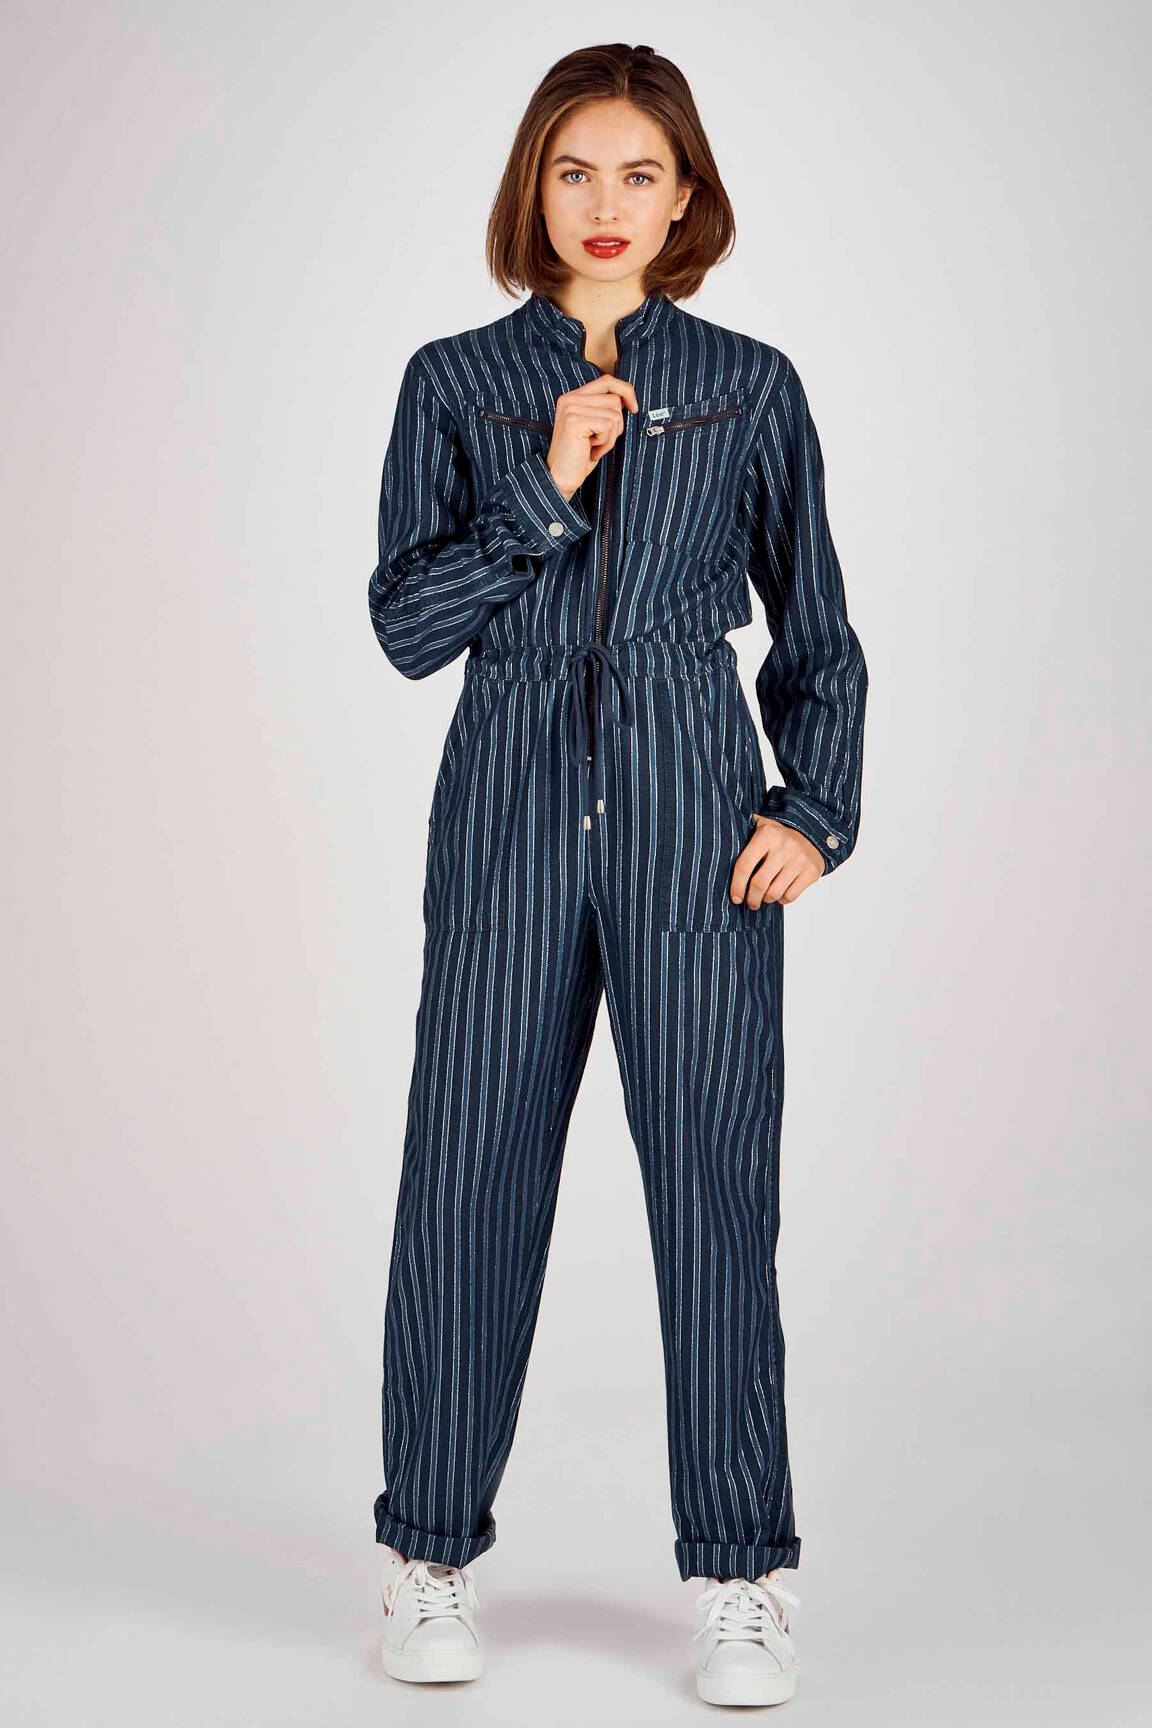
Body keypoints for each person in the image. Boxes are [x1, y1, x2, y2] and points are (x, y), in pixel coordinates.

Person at [365, 41, 867, 1708]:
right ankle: (427, 1556)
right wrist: (546, 483)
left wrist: (815, 809)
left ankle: (743, 1578)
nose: (605, 203)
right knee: (467, 1185)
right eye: (575, 170)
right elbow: (408, 626)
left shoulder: (748, 383)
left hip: (692, 822)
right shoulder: (455, 380)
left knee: (715, 1196)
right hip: (505, 816)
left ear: (684, 193)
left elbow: (819, 634)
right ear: (535, 185)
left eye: (639, 173)